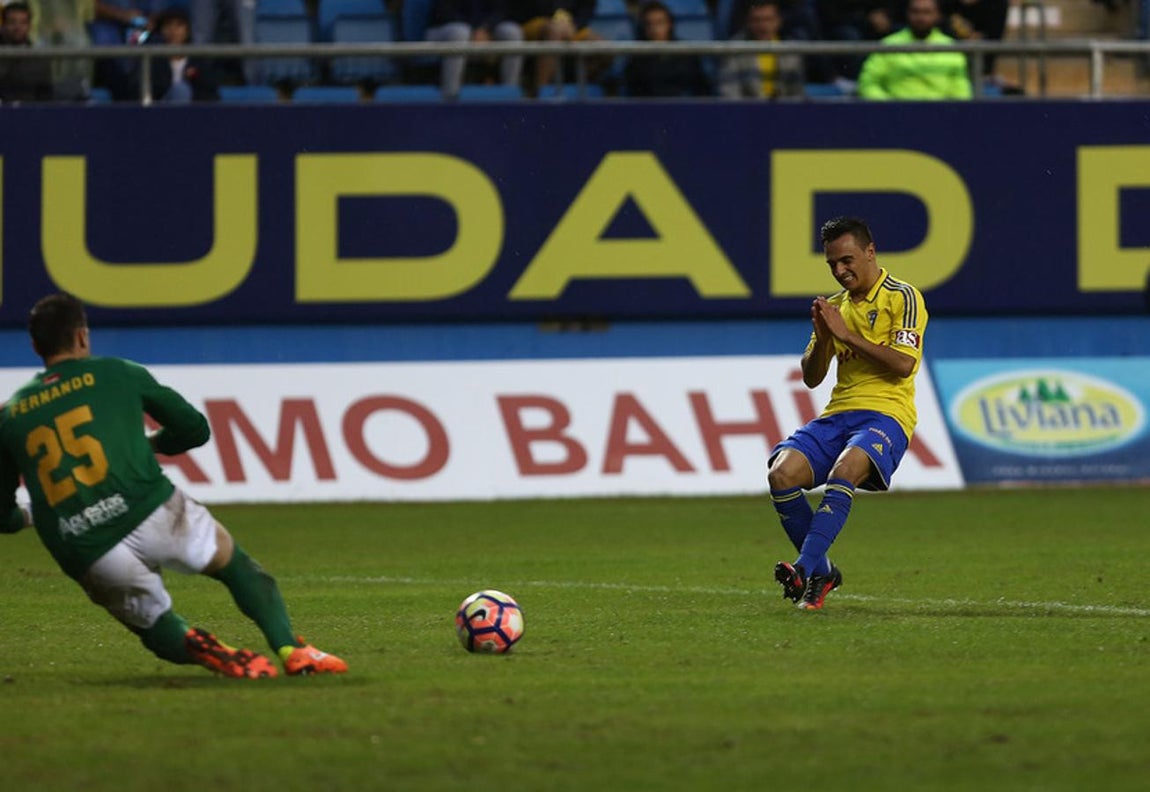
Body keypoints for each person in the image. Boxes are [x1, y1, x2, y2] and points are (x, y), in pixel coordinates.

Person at [0, 293, 347, 678]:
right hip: (148, 507)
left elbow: (3, 516)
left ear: (36, 346)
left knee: (153, 624)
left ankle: (209, 649)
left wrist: (30, 515)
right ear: (82, 336)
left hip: (83, 543)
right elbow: (193, 429)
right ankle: (292, 649)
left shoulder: (10, 415)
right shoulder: (117, 373)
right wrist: (151, 444)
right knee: (236, 566)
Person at [767, 217, 928, 610]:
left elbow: (904, 364)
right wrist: (824, 339)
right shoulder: (834, 308)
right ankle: (822, 571)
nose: (840, 271)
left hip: (886, 414)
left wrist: (846, 335)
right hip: (839, 412)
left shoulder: (903, 297)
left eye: (847, 260)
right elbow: (811, 377)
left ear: (870, 252)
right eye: (832, 264)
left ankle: (803, 568)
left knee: (846, 469)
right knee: (782, 474)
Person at [856, 0, 972, 99]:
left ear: (938, 15)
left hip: (940, 113)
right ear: (907, 13)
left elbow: (961, 89)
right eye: (915, 11)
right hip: (896, 113)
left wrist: (950, 110)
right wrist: (889, 107)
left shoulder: (951, 47)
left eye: (927, 12)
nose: (921, 17)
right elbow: (868, 83)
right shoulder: (888, 44)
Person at [425, 0, 523, 99]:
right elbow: (444, 12)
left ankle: (510, 93)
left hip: (484, 30)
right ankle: (450, 96)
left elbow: (500, 9)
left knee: (512, 32)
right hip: (445, 29)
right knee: (460, 32)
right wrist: (473, 31)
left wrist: (486, 28)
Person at [623, 0, 711, 98]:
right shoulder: (636, 57)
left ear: (669, 24)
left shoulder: (686, 52)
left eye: (659, 22)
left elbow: (701, 88)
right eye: (649, 24)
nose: (654, 29)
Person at [718, 0, 803, 100]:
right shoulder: (735, 49)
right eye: (756, 20)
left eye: (768, 19)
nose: (763, 26)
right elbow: (730, 94)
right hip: (747, 108)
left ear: (778, 21)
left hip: (783, 108)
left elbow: (797, 95)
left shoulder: (790, 50)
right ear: (748, 22)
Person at [510, 0, 598, 94]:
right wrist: (556, 21)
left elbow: (586, 9)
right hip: (532, 20)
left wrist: (575, 26)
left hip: (571, 25)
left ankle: (571, 87)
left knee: (598, 45)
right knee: (554, 32)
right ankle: (540, 92)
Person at [139, 7, 220, 102]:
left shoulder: (199, 61)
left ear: (187, 31)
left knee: (182, 90)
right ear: (161, 30)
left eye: (179, 25)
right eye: (168, 25)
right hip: (160, 108)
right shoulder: (153, 60)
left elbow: (212, 94)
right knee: (180, 90)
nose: (173, 30)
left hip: (192, 109)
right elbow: (141, 92)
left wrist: (195, 79)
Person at [0, 1, 55, 103]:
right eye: (12, 22)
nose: (17, 27)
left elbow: (46, 98)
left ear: (29, 26)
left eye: (23, 22)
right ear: (3, 25)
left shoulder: (39, 60)